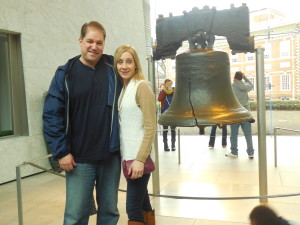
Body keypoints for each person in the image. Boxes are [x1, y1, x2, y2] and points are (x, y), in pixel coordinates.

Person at [43, 21, 122, 225]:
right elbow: (52, 115)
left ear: (104, 44)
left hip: (110, 156)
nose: (94, 47)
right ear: (80, 41)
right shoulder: (65, 74)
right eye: (89, 41)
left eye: (99, 42)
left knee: (109, 213)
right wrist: (61, 152)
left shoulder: (114, 69)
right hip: (78, 158)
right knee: (75, 215)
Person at [115, 45, 156, 225]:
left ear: (136, 65)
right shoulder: (125, 89)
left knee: (132, 208)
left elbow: (150, 127)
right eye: (120, 62)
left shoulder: (142, 87)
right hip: (129, 156)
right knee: (143, 202)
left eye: (129, 61)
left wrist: (140, 159)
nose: (124, 66)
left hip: (138, 158)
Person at [226, 71, 255, 159]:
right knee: (248, 134)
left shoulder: (231, 86)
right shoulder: (245, 86)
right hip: (245, 113)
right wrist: (245, 77)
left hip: (235, 113)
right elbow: (251, 85)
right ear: (241, 78)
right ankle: (250, 153)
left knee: (234, 134)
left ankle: (234, 152)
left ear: (234, 78)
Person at [158, 79, 176, 151]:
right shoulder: (163, 92)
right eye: (167, 84)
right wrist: (164, 92)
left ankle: (173, 145)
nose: (169, 85)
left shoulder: (174, 92)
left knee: (173, 130)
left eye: (170, 84)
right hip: (164, 113)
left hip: (173, 114)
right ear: (165, 84)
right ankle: (166, 146)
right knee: (165, 130)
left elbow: (176, 100)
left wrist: (173, 92)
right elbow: (159, 99)